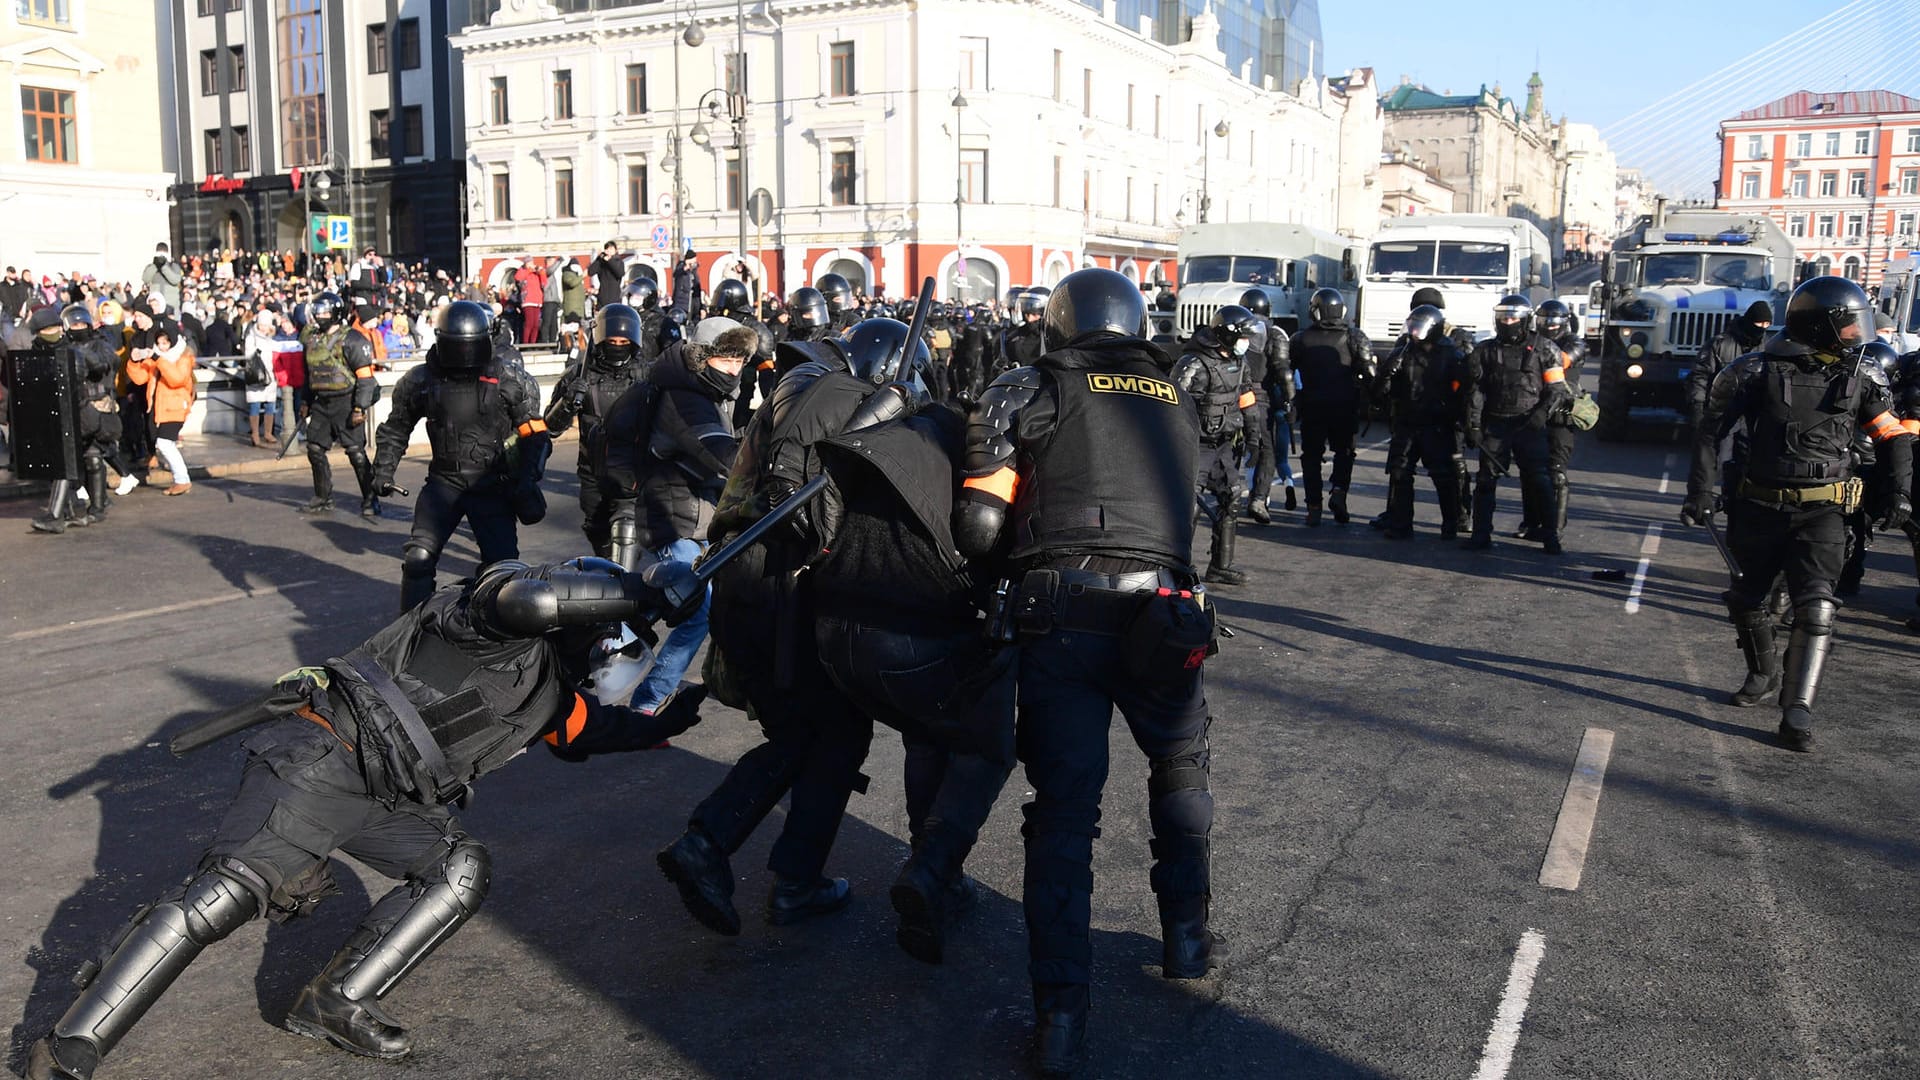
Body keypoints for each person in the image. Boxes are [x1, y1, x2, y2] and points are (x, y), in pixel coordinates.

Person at [23, 557, 706, 1080]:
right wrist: (646, 587)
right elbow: (526, 596)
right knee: (223, 898)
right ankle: (72, 1041)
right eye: (610, 637)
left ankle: (336, 1000)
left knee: (459, 869)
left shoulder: (552, 698)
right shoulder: (491, 622)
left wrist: (665, 721)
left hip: (393, 798)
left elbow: (595, 731)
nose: (610, 655)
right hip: (325, 755)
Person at [956, 268, 1217, 1077]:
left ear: (1061, 321)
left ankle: (1061, 1019)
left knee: (1065, 814)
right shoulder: (1178, 388)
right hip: (1168, 610)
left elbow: (978, 523)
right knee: (1179, 768)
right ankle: (1186, 940)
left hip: (1063, 610)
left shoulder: (1029, 383)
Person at [657, 321, 923, 939]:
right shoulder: (835, 396)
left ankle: (788, 877)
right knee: (823, 730)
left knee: (819, 733)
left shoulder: (811, 391)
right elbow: (797, 497)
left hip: (757, 578)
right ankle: (717, 844)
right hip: (778, 582)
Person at [811, 394, 1016, 964]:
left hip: (834, 634)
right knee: (987, 743)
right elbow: (986, 539)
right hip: (905, 640)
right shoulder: (967, 463)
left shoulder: (880, 451)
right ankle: (932, 868)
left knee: (927, 731)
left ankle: (932, 874)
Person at [1682, 276, 1913, 751]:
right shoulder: (1750, 371)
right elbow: (1711, 432)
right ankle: (1762, 673)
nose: (1855, 334)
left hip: (1825, 510)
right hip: (1757, 507)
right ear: (1818, 325)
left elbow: (1894, 437)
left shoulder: (1862, 377)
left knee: (1818, 605)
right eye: (1847, 326)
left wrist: (1899, 493)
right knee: (1747, 599)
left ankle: (1797, 711)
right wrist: (1699, 492)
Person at [599, 317, 756, 713]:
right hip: (675, 519)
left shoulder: (707, 391)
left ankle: (592, 677)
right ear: (702, 358)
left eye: (740, 360)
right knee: (694, 607)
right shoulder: (685, 398)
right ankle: (646, 703)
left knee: (656, 605)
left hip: (700, 516)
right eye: (725, 358)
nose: (734, 368)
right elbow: (721, 454)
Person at [371, 301, 549, 612]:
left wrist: (527, 479)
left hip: (492, 486)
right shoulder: (421, 381)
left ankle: (498, 638)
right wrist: (383, 470)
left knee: (504, 572)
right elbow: (396, 426)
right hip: (444, 484)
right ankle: (411, 631)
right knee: (418, 558)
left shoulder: (510, 379)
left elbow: (536, 435)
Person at [1463, 295, 1567, 553]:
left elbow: (1557, 389)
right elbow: (1475, 391)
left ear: (1525, 320)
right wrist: (1473, 426)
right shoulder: (1484, 350)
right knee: (1486, 480)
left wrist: (1542, 414)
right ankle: (1481, 534)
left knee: (1540, 480)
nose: (1507, 322)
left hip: (1529, 424)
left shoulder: (1545, 348)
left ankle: (1550, 535)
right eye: (1503, 317)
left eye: (1512, 318)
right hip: (1496, 424)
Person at [545, 303, 643, 557]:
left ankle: (627, 587)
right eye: (613, 340)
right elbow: (551, 428)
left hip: (631, 474)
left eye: (624, 340)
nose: (618, 345)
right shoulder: (579, 375)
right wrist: (568, 402)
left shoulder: (646, 376)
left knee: (626, 532)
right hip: (592, 473)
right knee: (597, 533)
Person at [1174, 305, 1257, 585]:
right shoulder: (1194, 362)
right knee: (1189, 506)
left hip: (1224, 443)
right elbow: (1172, 403)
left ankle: (1220, 566)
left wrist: (1255, 436)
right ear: (1226, 334)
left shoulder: (1240, 362)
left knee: (1233, 495)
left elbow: (1246, 398)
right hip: (1196, 444)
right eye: (1242, 335)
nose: (1247, 341)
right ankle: (1179, 566)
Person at [1373, 304, 1469, 539]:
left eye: (1420, 327)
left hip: (1436, 424)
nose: (1415, 332)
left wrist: (1460, 419)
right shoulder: (1403, 352)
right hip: (1407, 421)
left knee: (1442, 475)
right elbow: (1378, 393)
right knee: (1399, 472)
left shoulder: (1451, 355)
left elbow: (1465, 391)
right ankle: (1401, 524)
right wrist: (1387, 373)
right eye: (1413, 326)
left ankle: (1451, 521)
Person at [1287, 288, 1373, 526]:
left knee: (1311, 456)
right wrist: (1372, 399)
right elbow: (1369, 372)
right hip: (1345, 405)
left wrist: (1290, 400)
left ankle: (1314, 506)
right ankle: (1338, 491)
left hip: (1313, 406)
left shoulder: (1300, 338)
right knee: (1344, 453)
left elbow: (1285, 371)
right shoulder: (1355, 337)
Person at [296, 292, 380, 516]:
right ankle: (323, 497)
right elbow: (309, 375)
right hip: (322, 403)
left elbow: (365, 378)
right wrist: (305, 401)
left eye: (325, 311)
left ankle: (371, 499)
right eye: (318, 311)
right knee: (314, 448)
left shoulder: (352, 339)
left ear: (335, 312)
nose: (320, 315)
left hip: (347, 402)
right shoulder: (312, 340)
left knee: (356, 453)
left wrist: (359, 407)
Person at [1531, 299, 1586, 546]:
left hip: (1561, 414)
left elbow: (1560, 361)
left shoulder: (1574, 343)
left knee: (1556, 473)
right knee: (1531, 472)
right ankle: (1532, 523)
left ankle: (1554, 527)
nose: (1549, 326)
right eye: (1544, 321)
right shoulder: (1533, 340)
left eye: (1553, 321)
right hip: (1533, 408)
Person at [124, 322, 196, 497]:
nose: (162, 347)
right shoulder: (157, 358)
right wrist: (134, 361)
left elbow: (176, 379)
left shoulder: (183, 358)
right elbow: (140, 378)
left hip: (175, 407)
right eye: (160, 343)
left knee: (164, 444)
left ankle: (182, 479)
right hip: (159, 407)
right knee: (164, 444)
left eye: (166, 343)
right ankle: (181, 479)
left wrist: (158, 359)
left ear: (173, 342)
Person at [1239, 288, 1291, 523]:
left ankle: (1224, 496)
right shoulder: (1274, 334)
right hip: (1259, 398)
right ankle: (1259, 498)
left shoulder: (1234, 329)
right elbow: (1283, 371)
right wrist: (1290, 401)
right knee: (1266, 450)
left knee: (1225, 448)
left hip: (1231, 394)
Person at [1688, 301, 1772, 430]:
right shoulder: (1720, 344)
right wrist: (1698, 406)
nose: (1762, 327)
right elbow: (1701, 374)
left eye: (1766, 324)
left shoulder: (1768, 347)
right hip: (1720, 412)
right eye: (1759, 323)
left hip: (1750, 415)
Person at [996, 287, 1049, 376]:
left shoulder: (1053, 339)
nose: (1029, 319)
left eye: (1034, 314)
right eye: (1027, 314)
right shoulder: (1014, 337)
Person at [588, 241, 626, 310]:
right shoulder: (602, 263)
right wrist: (599, 258)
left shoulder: (619, 262)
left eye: (611, 249)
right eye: (607, 249)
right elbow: (590, 272)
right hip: (602, 299)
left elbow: (620, 273)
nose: (609, 251)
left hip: (615, 299)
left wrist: (609, 260)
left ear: (615, 250)